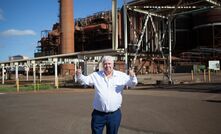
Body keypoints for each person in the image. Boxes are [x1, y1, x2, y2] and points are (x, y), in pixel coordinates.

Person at [76, 56, 138, 134]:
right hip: (98, 114)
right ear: (102, 65)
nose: (107, 66)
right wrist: (79, 75)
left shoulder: (121, 76)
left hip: (114, 115)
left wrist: (132, 76)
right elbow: (84, 81)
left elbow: (133, 84)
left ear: (113, 64)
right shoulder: (96, 75)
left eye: (109, 64)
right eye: (105, 64)